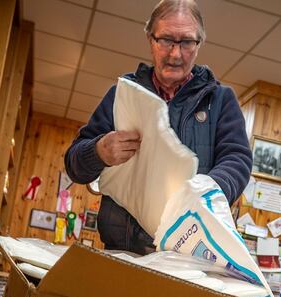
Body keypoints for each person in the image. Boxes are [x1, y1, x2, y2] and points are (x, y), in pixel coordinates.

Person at [64, 0, 251, 255]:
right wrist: (98, 151)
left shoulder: (220, 100)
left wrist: (206, 192)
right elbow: (74, 165)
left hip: (189, 257)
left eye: (186, 42)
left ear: (199, 44)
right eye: (166, 40)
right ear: (150, 39)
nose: (176, 54)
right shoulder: (122, 93)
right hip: (122, 251)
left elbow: (237, 159)